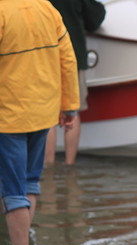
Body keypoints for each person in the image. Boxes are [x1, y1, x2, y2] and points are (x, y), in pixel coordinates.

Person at [0, 0, 80, 245]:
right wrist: (69, 104)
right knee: (29, 183)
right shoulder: (48, 8)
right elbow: (68, 60)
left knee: (12, 190)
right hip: (42, 112)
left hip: (8, 116)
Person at [44, 0, 106, 165]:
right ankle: (69, 164)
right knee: (73, 110)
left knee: (48, 115)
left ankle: (48, 167)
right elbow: (95, 18)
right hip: (73, 57)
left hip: (45, 57)